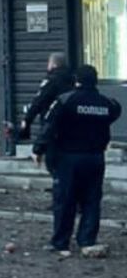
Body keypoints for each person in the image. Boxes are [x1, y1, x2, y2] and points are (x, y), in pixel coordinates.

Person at [34, 65, 121, 254]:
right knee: (91, 200)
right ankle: (87, 240)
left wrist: (38, 148)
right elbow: (116, 111)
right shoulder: (106, 103)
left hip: (69, 156)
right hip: (96, 157)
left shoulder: (66, 100)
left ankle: (60, 242)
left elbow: (50, 125)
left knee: (65, 200)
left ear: (77, 81)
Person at [19, 52, 74, 142]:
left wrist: (27, 120)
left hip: (52, 123)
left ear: (54, 64)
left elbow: (39, 100)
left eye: (49, 63)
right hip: (72, 122)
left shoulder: (51, 80)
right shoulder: (72, 79)